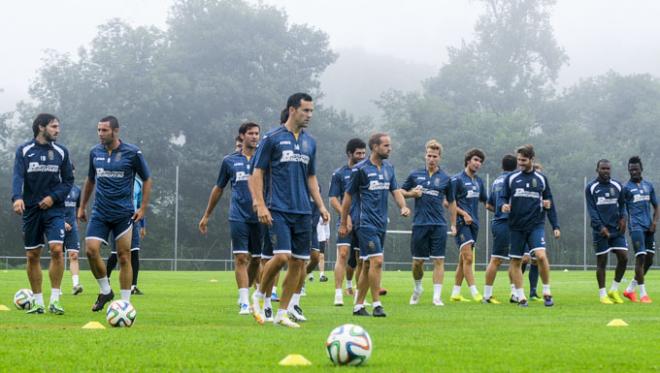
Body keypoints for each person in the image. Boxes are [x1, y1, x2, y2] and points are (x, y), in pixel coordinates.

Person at [249, 93, 330, 328]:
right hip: (278, 208)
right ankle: (259, 296)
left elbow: (311, 177)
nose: (309, 115)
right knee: (282, 256)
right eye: (306, 110)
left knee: (298, 263)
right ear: (292, 110)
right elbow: (257, 173)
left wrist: (321, 205)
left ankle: (282, 313)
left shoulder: (310, 142)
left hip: (304, 211)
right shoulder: (272, 138)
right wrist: (260, 204)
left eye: (312, 111)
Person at [78, 115, 152, 312]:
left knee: (124, 256)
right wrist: (82, 206)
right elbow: (90, 180)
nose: (100, 134)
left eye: (104, 130)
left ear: (115, 131)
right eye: (99, 130)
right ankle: (105, 290)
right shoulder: (95, 152)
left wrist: (142, 208)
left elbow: (147, 179)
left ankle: (126, 304)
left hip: (123, 214)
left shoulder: (132, 152)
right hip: (100, 212)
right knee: (91, 250)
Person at [339, 133, 410, 317]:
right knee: (377, 261)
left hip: (381, 223)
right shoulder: (360, 170)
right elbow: (347, 197)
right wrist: (343, 222)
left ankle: (358, 306)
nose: (390, 148)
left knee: (367, 264)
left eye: (390, 145)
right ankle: (377, 304)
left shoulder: (389, 168)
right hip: (365, 223)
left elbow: (395, 190)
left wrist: (403, 206)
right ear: (375, 147)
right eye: (386, 145)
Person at [12, 113, 74, 314]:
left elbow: (68, 181)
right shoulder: (24, 150)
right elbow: (18, 176)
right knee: (32, 255)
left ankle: (55, 301)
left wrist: (53, 197)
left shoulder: (61, 152)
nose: (58, 130)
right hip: (31, 210)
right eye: (54, 126)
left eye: (58, 126)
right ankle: (38, 302)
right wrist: (17, 198)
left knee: (56, 249)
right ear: (41, 127)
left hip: (55, 210)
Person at [199, 122, 262, 315]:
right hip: (238, 216)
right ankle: (244, 301)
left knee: (257, 260)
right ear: (242, 136)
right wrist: (206, 215)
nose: (254, 137)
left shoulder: (264, 159)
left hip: (260, 216)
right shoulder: (229, 161)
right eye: (250, 133)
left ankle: (248, 291)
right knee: (241, 257)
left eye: (257, 133)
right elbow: (219, 188)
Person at [402, 139, 457, 306]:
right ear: (425, 156)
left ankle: (436, 297)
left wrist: (454, 224)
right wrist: (412, 194)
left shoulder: (446, 178)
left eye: (435, 156)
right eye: (429, 155)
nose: (431, 159)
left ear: (439, 158)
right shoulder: (415, 175)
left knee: (439, 260)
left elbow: (452, 202)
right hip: (420, 224)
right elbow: (400, 192)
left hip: (439, 224)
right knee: (418, 262)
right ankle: (418, 288)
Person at [502, 144, 557, 307]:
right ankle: (521, 296)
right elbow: (502, 197)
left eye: (524, 160)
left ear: (532, 160)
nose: (520, 163)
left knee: (540, 256)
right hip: (516, 226)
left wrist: (555, 225)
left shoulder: (541, 179)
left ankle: (547, 291)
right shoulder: (511, 178)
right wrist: (504, 205)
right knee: (516, 261)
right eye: (518, 160)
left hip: (535, 225)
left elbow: (549, 202)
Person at [584, 159, 628, 304]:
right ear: (597, 169)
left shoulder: (617, 185)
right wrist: (600, 226)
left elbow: (622, 204)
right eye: (603, 168)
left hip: (616, 229)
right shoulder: (591, 187)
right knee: (601, 262)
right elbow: (592, 210)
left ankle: (614, 289)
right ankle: (603, 294)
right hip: (600, 231)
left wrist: (623, 218)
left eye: (608, 168)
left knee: (624, 258)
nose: (606, 171)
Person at [329, 138, 366, 306]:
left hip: (364, 221)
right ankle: (338, 293)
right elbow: (333, 199)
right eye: (358, 153)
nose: (362, 156)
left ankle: (359, 295)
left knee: (362, 260)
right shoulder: (339, 174)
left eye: (364, 153)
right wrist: (346, 218)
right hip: (345, 221)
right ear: (349, 154)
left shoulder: (366, 172)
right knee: (343, 254)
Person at [450, 149, 487, 302]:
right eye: (475, 160)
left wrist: (504, 208)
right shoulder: (457, 179)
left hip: (474, 224)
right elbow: (448, 202)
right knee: (469, 258)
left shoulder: (479, 181)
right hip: (461, 223)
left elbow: (486, 201)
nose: (478, 164)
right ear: (468, 160)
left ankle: (455, 293)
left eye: (480, 161)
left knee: (463, 260)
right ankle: (475, 293)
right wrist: (463, 214)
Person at [483, 154, 517, 304]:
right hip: (506, 222)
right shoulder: (514, 180)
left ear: (502, 166)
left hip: (498, 221)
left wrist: (498, 209)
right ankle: (487, 296)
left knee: (514, 259)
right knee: (497, 259)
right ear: (516, 166)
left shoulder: (496, 181)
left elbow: (488, 204)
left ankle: (514, 293)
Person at [622, 156, 657, 303]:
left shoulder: (649, 186)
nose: (633, 172)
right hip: (635, 226)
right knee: (640, 257)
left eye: (636, 169)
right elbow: (623, 209)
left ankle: (630, 289)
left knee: (649, 260)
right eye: (631, 170)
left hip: (649, 226)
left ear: (641, 169)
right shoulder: (626, 188)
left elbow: (657, 206)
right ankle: (643, 294)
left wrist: (654, 222)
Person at [107, 177, 146, 295]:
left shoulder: (139, 183)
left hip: (134, 221)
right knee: (116, 254)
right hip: (117, 219)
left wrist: (143, 225)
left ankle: (133, 286)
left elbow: (140, 206)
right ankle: (105, 281)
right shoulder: (117, 178)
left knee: (134, 252)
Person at [64, 164, 83, 295]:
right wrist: (62, 222)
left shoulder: (77, 190)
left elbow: (78, 209)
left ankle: (76, 285)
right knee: (57, 257)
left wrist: (75, 223)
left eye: (72, 171)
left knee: (74, 255)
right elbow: (50, 208)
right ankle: (57, 288)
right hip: (56, 225)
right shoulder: (56, 188)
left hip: (72, 227)